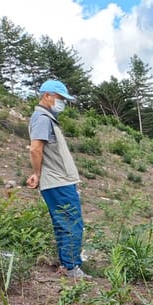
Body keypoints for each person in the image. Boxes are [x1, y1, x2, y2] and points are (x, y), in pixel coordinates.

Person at [26, 80, 91, 279]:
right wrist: (37, 173)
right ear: (47, 96)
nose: (62, 103)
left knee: (63, 222)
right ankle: (71, 267)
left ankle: (67, 264)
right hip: (58, 181)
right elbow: (36, 148)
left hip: (58, 180)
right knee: (72, 222)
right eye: (60, 99)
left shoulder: (45, 118)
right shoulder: (43, 118)